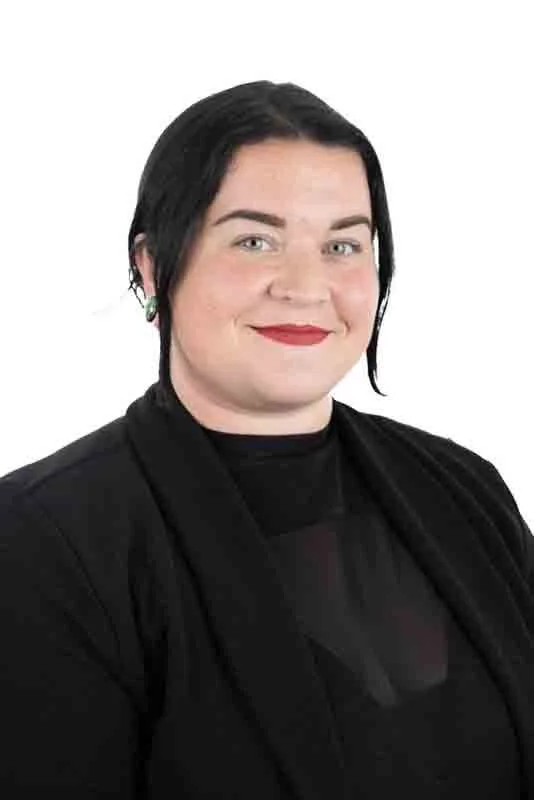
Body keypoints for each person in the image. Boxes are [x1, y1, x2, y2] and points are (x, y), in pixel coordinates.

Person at [1, 80, 533, 799]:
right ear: (153, 265)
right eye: (256, 239)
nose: (305, 285)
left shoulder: (464, 487)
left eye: (343, 244)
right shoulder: (43, 537)